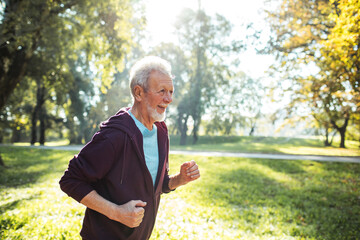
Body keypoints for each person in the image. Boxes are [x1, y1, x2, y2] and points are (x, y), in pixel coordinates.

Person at [59, 56, 200, 240]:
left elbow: (157, 185)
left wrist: (179, 179)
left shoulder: (161, 132)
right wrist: (116, 212)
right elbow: (70, 180)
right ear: (139, 93)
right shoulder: (114, 135)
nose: (169, 99)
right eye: (162, 91)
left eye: (171, 91)